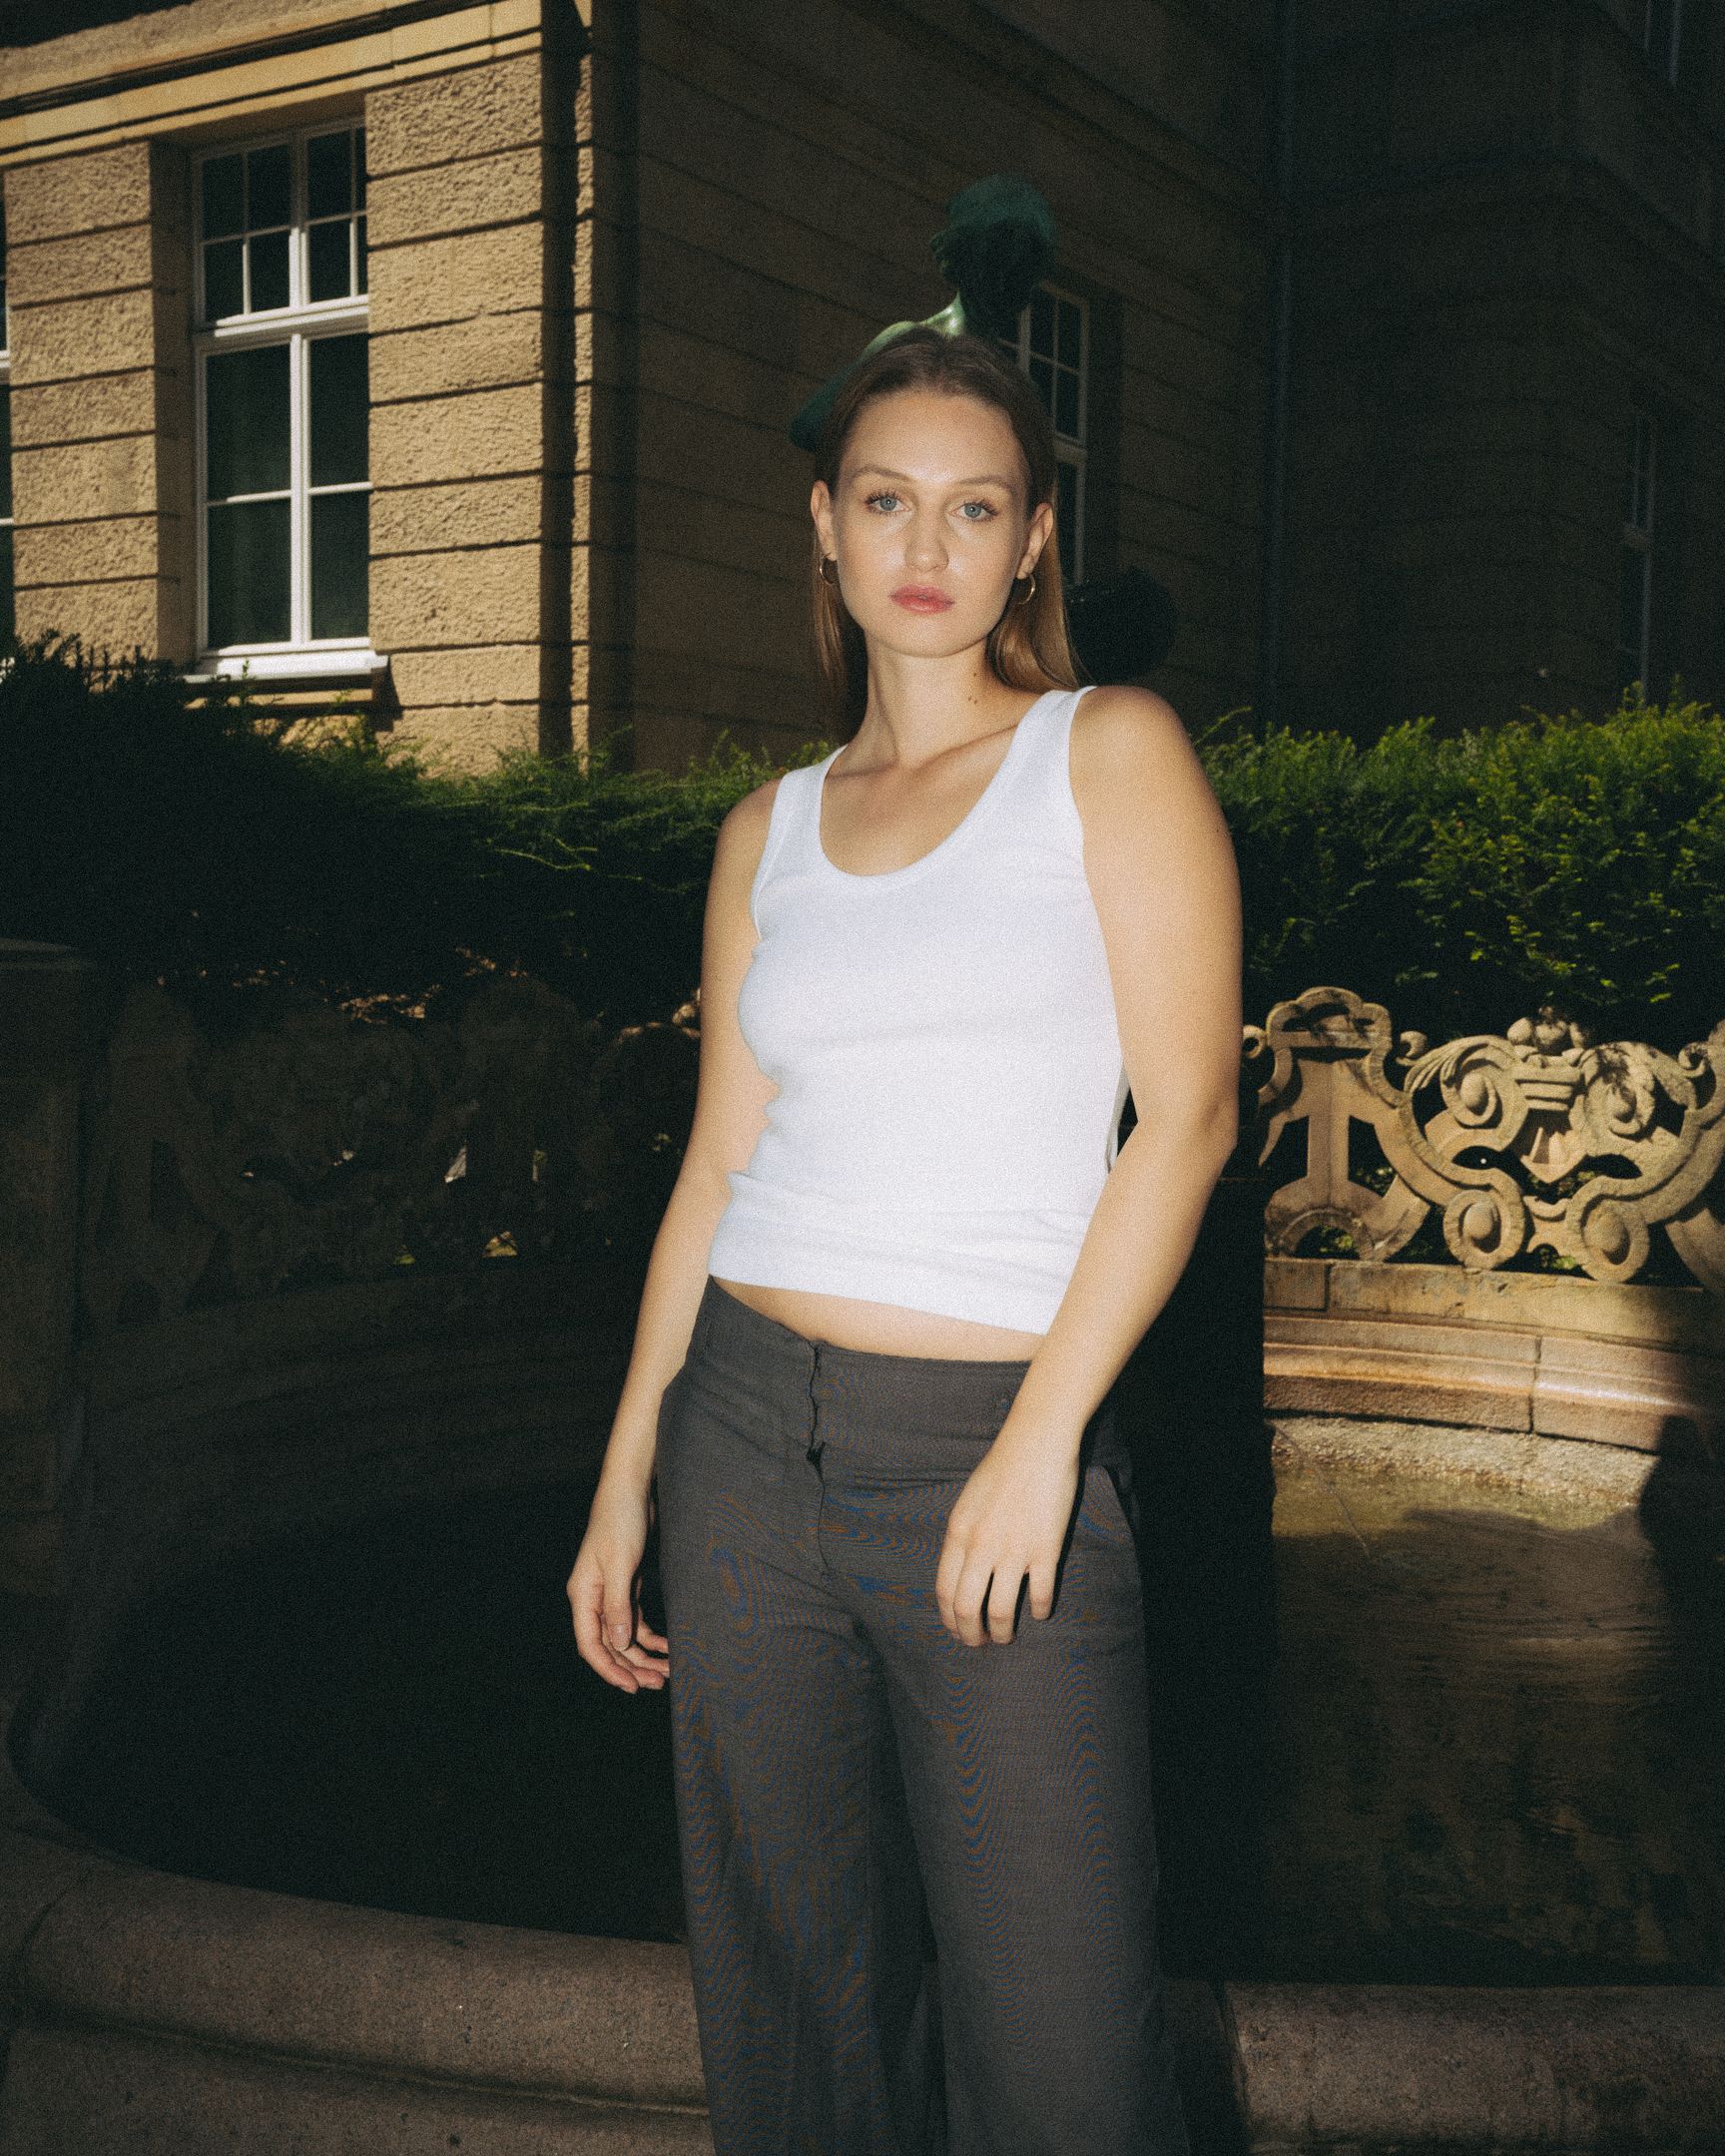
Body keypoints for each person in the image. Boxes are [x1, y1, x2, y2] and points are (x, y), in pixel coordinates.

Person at [567, 324, 1243, 2156]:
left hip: (990, 1444)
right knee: (795, 2017)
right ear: (826, 524)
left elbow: (1187, 1120)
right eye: (886, 501)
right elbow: (719, 1162)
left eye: (975, 506)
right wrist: (627, 1478)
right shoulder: (767, 830)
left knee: (1070, 2059)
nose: (925, 544)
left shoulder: (1106, 752)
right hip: (740, 1440)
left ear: (1034, 540)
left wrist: (1043, 1440)